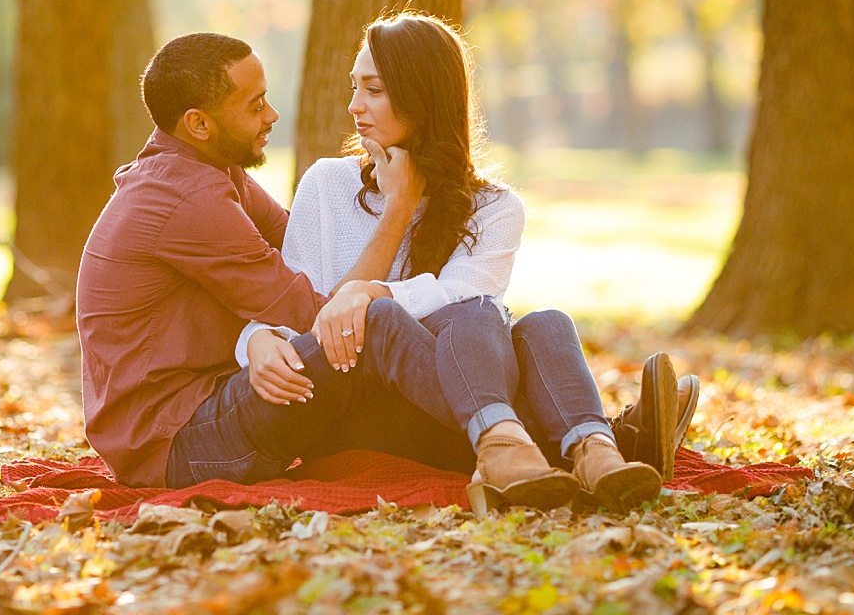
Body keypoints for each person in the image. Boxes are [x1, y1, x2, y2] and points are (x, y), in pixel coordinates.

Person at [75, 28, 696, 514]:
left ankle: (579, 448)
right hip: (176, 438)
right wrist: (392, 217)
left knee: (535, 323)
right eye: (255, 104)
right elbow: (311, 308)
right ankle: (580, 444)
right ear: (200, 125)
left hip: (208, 403)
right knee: (374, 318)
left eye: (372, 89)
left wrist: (293, 320)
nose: (272, 116)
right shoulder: (187, 200)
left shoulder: (213, 176)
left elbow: (291, 261)